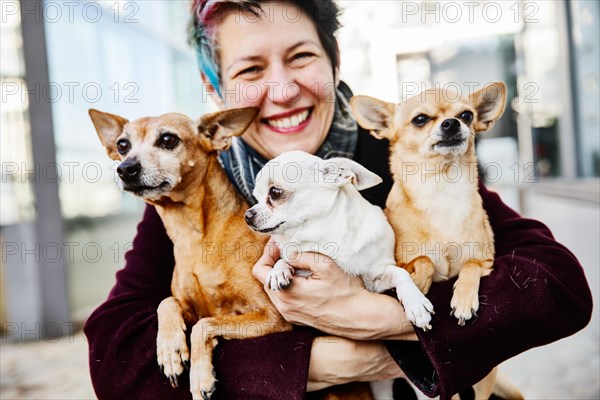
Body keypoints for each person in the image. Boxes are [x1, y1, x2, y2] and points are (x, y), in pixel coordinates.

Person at [83, 1, 593, 399]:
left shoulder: (407, 152)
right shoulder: (196, 188)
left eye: (301, 57)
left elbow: (556, 287)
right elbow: (116, 362)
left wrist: (390, 324)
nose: (282, 91)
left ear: (334, 61)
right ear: (214, 88)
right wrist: (330, 362)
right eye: (250, 71)